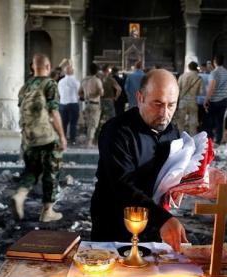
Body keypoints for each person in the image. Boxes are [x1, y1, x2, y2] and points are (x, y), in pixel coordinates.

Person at [91, 69, 188, 252]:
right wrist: (163, 219)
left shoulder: (172, 132)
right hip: (115, 224)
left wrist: (184, 183)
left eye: (171, 105)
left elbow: (172, 170)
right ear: (140, 97)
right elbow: (122, 185)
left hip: (154, 225)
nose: (164, 113)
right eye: (157, 104)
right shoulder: (116, 131)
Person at [11, 53, 67, 222]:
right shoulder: (50, 84)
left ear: (32, 67)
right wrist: (62, 136)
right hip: (48, 137)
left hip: (29, 137)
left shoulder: (25, 87)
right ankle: (47, 211)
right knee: (52, 171)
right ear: (48, 67)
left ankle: (19, 196)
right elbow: (54, 112)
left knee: (31, 170)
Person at [204, 54, 227, 145]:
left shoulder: (214, 73)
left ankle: (209, 140)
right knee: (220, 121)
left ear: (214, 62)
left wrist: (206, 99)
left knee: (210, 121)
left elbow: (212, 87)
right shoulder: (226, 72)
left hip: (215, 100)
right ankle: (218, 140)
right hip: (224, 99)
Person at [176, 61, 205, 135]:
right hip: (193, 101)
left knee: (180, 122)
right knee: (193, 123)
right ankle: (192, 139)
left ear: (188, 67)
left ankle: (180, 138)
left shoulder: (182, 76)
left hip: (182, 101)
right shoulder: (199, 78)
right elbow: (202, 92)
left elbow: (177, 89)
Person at [79, 63, 104, 147]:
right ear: (96, 71)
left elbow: (79, 93)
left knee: (88, 124)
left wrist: (86, 96)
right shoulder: (97, 80)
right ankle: (88, 143)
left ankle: (88, 142)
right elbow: (101, 93)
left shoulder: (84, 80)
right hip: (95, 104)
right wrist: (95, 94)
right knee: (93, 124)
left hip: (86, 104)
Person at [58, 61, 80, 145]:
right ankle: (72, 140)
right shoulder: (76, 82)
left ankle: (63, 139)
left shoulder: (60, 82)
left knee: (63, 123)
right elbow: (79, 92)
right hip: (73, 103)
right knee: (73, 123)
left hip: (63, 104)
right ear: (72, 72)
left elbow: (59, 93)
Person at [99, 64, 121, 129]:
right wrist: (116, 98)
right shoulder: (111, 79)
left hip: (100, 100)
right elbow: (119, 89)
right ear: (108, 70)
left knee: (99, 118)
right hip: (109, 100)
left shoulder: (98, 79)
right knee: (111, 118)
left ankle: (98, 134)